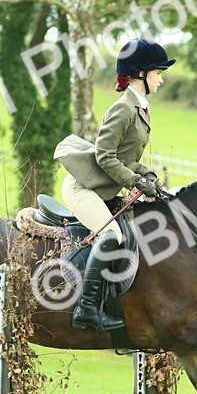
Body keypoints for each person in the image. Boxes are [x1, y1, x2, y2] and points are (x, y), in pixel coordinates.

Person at [53, 38, 173, 331]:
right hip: (83, 187)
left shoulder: (140, 109)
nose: (162, 78)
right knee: (110, 236)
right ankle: (87, 309)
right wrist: (134, 181)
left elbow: (126, 157)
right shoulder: (124, 109)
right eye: (158, 72)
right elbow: (104, 156)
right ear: (141, 74)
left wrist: (147, 175)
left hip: (101, 187)